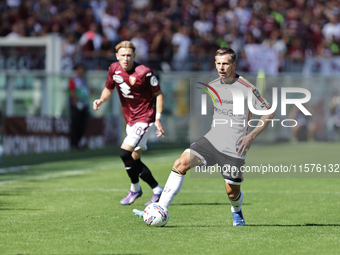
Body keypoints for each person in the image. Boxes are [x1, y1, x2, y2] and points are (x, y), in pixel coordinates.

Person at [133, 47, 275, 226]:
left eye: (226, 64)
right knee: (180, 164)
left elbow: (268, 112)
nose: (221, 67)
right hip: (212, 140)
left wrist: (250, 136)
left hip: (234, 147)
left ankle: (236, 209)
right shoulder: (213, 85)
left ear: (234, 64)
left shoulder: (247, 87)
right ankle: (161, 207)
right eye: (218, 64)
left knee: (232, 192)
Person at [93, 41, 164, 206]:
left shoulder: (144, 73)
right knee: (134, 160)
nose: (126, 58)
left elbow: (159, 95)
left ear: (134, 56)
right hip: (130, 120)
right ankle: (157, 190)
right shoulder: (113, 69)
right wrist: (101, 100)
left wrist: (158, 118)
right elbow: (109, 88)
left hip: (145, 118)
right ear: (117, 56)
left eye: (129, 55)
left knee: (124, 153)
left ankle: (135, 189)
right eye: (123, 55)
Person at [69, 63, 90, 150]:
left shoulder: (84, 80)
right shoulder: (73, 80)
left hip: (84, 105)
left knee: (83, 125)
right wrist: (77, 103)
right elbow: (72, 92)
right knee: (75, 125)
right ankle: (73, 144)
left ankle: (79, 143)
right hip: (76, 106)